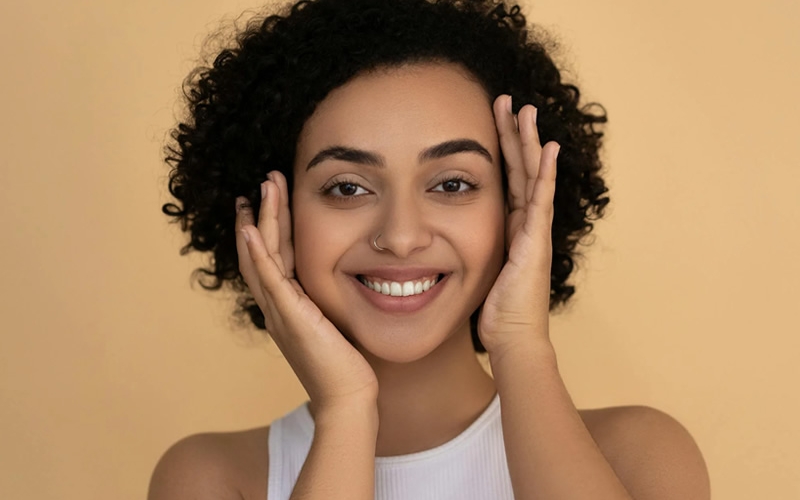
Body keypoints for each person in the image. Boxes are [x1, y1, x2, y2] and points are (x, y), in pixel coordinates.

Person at [149, 0, 710, 498]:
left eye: (452, 184)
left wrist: (521, 343)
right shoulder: (211, 477)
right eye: (348, 187)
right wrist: (346, 411)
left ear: (519, 207)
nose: (400, 235)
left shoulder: (641, 457)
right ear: (279, 212)